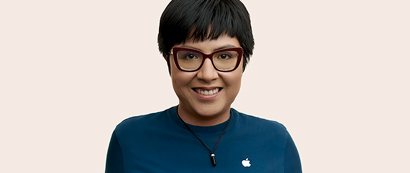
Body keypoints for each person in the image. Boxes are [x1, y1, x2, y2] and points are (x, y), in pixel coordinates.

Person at [105, 0, 302, 172]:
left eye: (224, 56)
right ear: (168, 60)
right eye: (190, 56)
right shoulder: (130, 139)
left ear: (244, 60)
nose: (207, 75)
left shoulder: (276, 141)